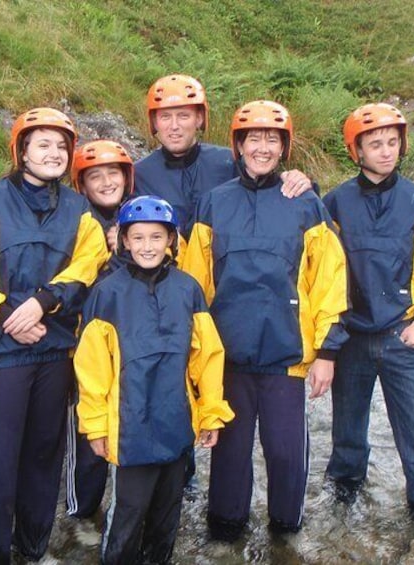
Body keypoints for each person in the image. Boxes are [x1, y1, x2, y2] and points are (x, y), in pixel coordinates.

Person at [0, 107, 108, 564]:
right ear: (21, 152)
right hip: (0, 355)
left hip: (56, 353)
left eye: (61, 146)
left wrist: (45, 300)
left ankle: (33, 550)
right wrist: (9, 311)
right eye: (43, 145)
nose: (54, 154)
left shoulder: (79, 209)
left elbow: (89, 266)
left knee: (43, 459)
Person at [180, 100, 349, 541]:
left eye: (271, 140)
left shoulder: (306, 204)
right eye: (253, 138)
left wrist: (328, 351)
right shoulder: (213, 203)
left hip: (286, 354)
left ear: (283, 148)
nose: (262, 148)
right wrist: (193, 351)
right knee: (229, 458)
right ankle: (225, 535)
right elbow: (193, 285)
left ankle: (285, 534)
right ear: (238, 145)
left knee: (286, 455)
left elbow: (329, 280)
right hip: (228, 356)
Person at [322, 103, 414, 519]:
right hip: (349, 338)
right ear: (357, 151)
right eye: (374, 144)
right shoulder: (335, 204)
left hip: (402, 336)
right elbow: (320, 271)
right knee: (347, 437)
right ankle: (341, 506)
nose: (385, 151)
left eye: (391, 142)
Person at [74, 195, 234, 564]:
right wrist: (96, 427)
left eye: (157, 237)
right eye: (139, 237)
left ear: (171, 241)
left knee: (167, 516)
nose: (148, 246)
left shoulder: (188, 289)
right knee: (127, 516)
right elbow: (92, 369)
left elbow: (207, 357)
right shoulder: (106, 293)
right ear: (125, 241)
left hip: (175, 421)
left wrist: (211, 413)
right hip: (129, 428)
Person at [135, 73, 314, 242]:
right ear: (155, 122)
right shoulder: (139, 174)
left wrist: (295, 179)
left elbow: (267, 185)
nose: (174, 126)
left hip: (221, 268)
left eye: (183, 116)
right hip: (166, 270)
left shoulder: (229, 162)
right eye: (165, 117)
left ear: (199, 119)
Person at [65, 139, 135, 520]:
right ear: (83, 183)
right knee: (88, 430)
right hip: (88, 345)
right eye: (96, 176)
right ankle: (82, 511)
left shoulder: (141, 216)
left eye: (113, 173)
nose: (107, 182)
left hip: (134, 345)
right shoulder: (76, 223)